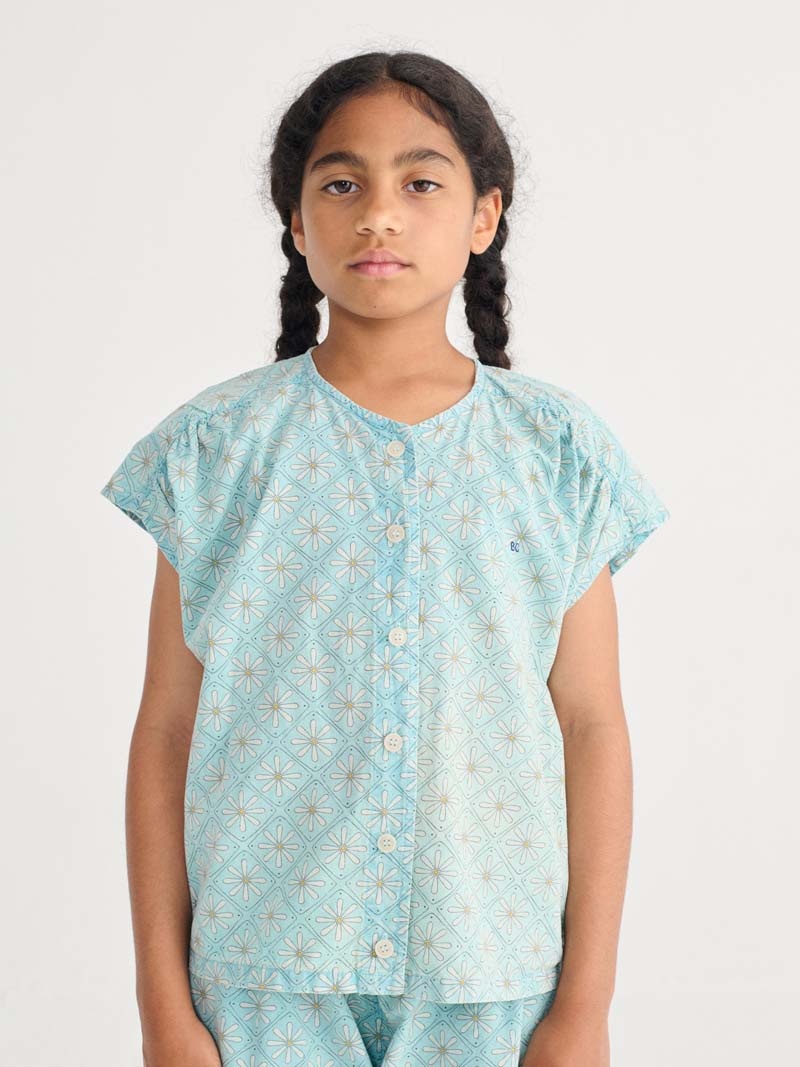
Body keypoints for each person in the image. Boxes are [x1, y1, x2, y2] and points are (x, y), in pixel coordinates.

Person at [100, 50, 670, 1067]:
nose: (377, 216)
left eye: (420, 183)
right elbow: (167, 729)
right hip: (258, 979)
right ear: (295, 221)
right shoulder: (216, 451)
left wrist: (584, 1004)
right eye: (340, 184)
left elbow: (591, 726)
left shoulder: (557, 454)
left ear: (483, 217)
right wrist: (160, 1005)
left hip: (493, 981)